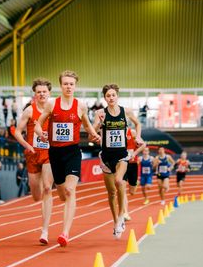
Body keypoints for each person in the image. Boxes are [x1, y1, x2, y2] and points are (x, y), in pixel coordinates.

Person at [35, 71, 100, 247]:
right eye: (65, 84)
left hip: (72, 152)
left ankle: (65, 233)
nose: (68, 86)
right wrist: (41, 133)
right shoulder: (51, 104)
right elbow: (38, 124)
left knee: (71, 191)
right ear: (61, 85)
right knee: (62, 193)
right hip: (55, 153)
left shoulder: (81, 106)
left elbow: (86, 125)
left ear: (75, 85)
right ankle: (63, 209)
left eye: (71, 84)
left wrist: (95, 135)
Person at [93, 84, 142, 239]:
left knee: (119, 181)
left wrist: (138, 136)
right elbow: (91, 132)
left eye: (113, 95)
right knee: (111, 193)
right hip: (106, 156)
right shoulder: (100, 113)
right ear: (105, 98)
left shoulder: (125, 111)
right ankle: (116, 221)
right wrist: (95, 134)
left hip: (122, 155)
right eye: (108, 96)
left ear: (117, 96)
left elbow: (138, 123)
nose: (111, 98)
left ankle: (121, 215)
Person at [14, 78, 54, 244]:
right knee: (36, 195)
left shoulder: (53, 110)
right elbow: (17, 132)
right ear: (35, 94)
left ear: (49, 93)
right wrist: (27, 145)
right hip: (32, 154)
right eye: (39, 92)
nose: (42, 94)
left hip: (48, 153)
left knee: (47, 188)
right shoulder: (29, 111)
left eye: (44, 91)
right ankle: (40, 201)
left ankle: (45, 231)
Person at [123, 126, 146, 220]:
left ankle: (136, 182)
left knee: (132, 192)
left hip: (132, 164)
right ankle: (125, 213)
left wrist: (135, 153)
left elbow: (144, 144)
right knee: (122, 189)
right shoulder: (114, 132)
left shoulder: (131, 132)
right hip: (122, 163)